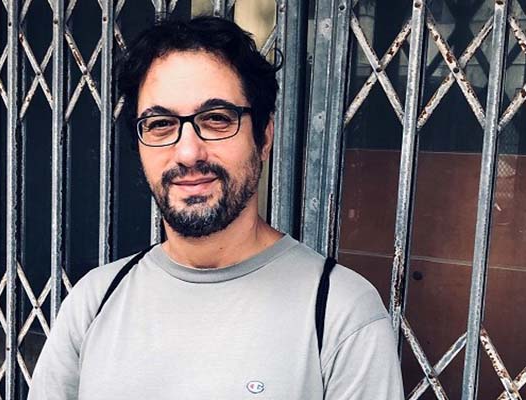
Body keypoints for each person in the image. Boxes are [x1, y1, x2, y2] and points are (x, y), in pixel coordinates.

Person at [28, 16, 403, 399]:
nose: (188, 152)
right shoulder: (93, 302)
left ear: (264, 137)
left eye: (217, 119)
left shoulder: (341, 313)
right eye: (160, 124)